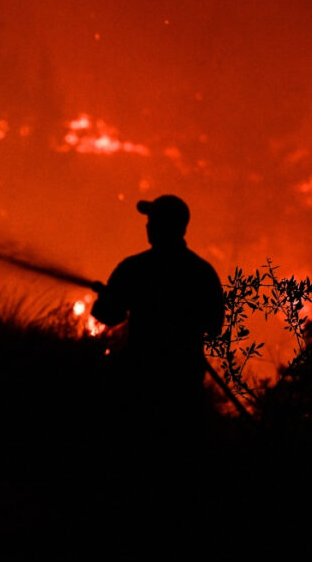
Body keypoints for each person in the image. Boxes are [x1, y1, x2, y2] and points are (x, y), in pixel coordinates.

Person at [90, 195, 223, 457]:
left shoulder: (135, 268)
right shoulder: (202, 273)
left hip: (138, 383)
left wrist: (108, 297)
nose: (148, 226)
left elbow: (107, 314)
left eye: (152, 221)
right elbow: (214, 326)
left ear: (166, 226)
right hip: (185, 385)